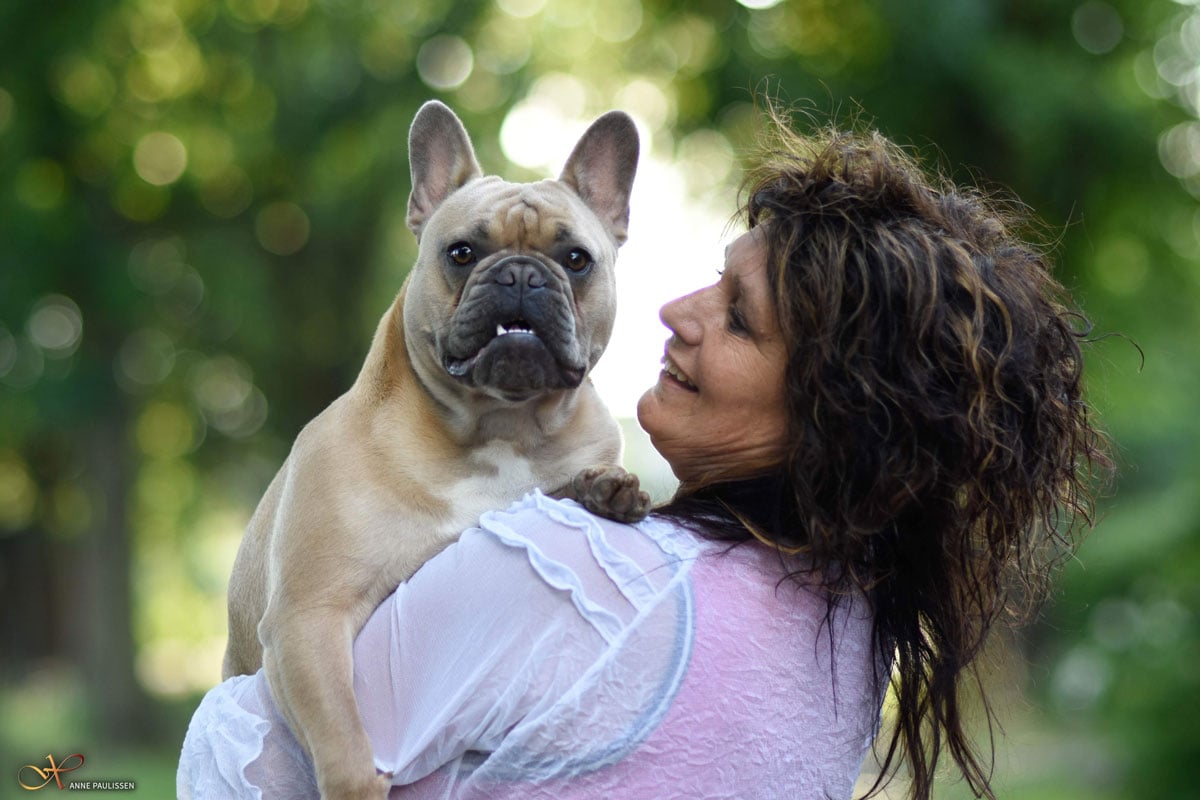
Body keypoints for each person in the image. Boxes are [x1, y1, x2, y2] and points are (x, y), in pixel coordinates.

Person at [178, 107, 1111, 800]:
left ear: (839, 411)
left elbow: (232, 756)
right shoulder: (850, 632)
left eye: (737, 317)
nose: (678, 311)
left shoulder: (562, 571)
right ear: (425, 215)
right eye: (465, 257)